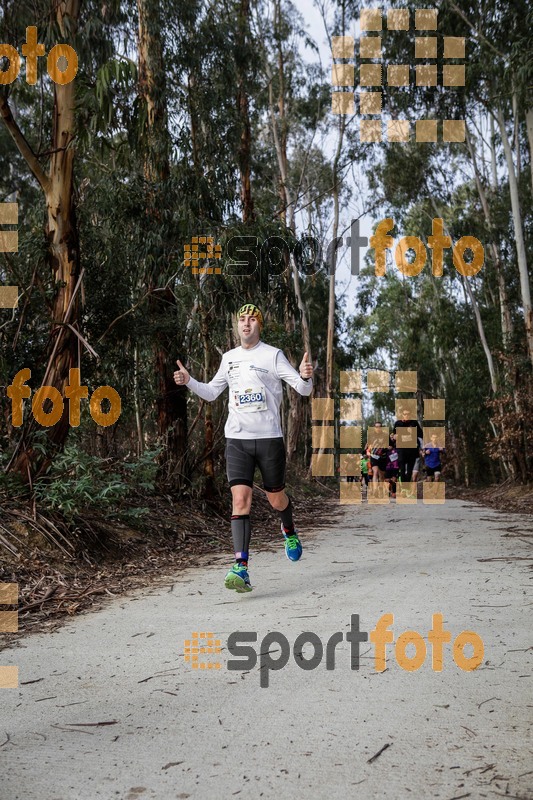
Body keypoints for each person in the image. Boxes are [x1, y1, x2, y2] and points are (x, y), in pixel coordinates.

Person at [173, 303, 313, 593]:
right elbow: (212, 393)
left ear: (259, 325)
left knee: (276, 500)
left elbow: (302, 389)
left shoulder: (272, 355)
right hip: (237, 440)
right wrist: (189, 382)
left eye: (251, 319)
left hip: (269, 439)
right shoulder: (229, 359)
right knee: (240, 501)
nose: (246, 324)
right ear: (237, 326)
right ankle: (241, 567)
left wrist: (306, 376)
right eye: (242, 320)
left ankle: (288, 530)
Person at [392, 407, 423, 487]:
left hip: (412, 449)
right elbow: (393, 435)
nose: (406, 416)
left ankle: (406, 486)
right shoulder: (397, 423)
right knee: (402, 468)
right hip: (401, 448)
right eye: (404, 414)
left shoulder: (414, 423)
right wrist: (394, 437)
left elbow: (421, 435)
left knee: (409, 470)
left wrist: (413, 431)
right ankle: (403, 486)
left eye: (408, 414)